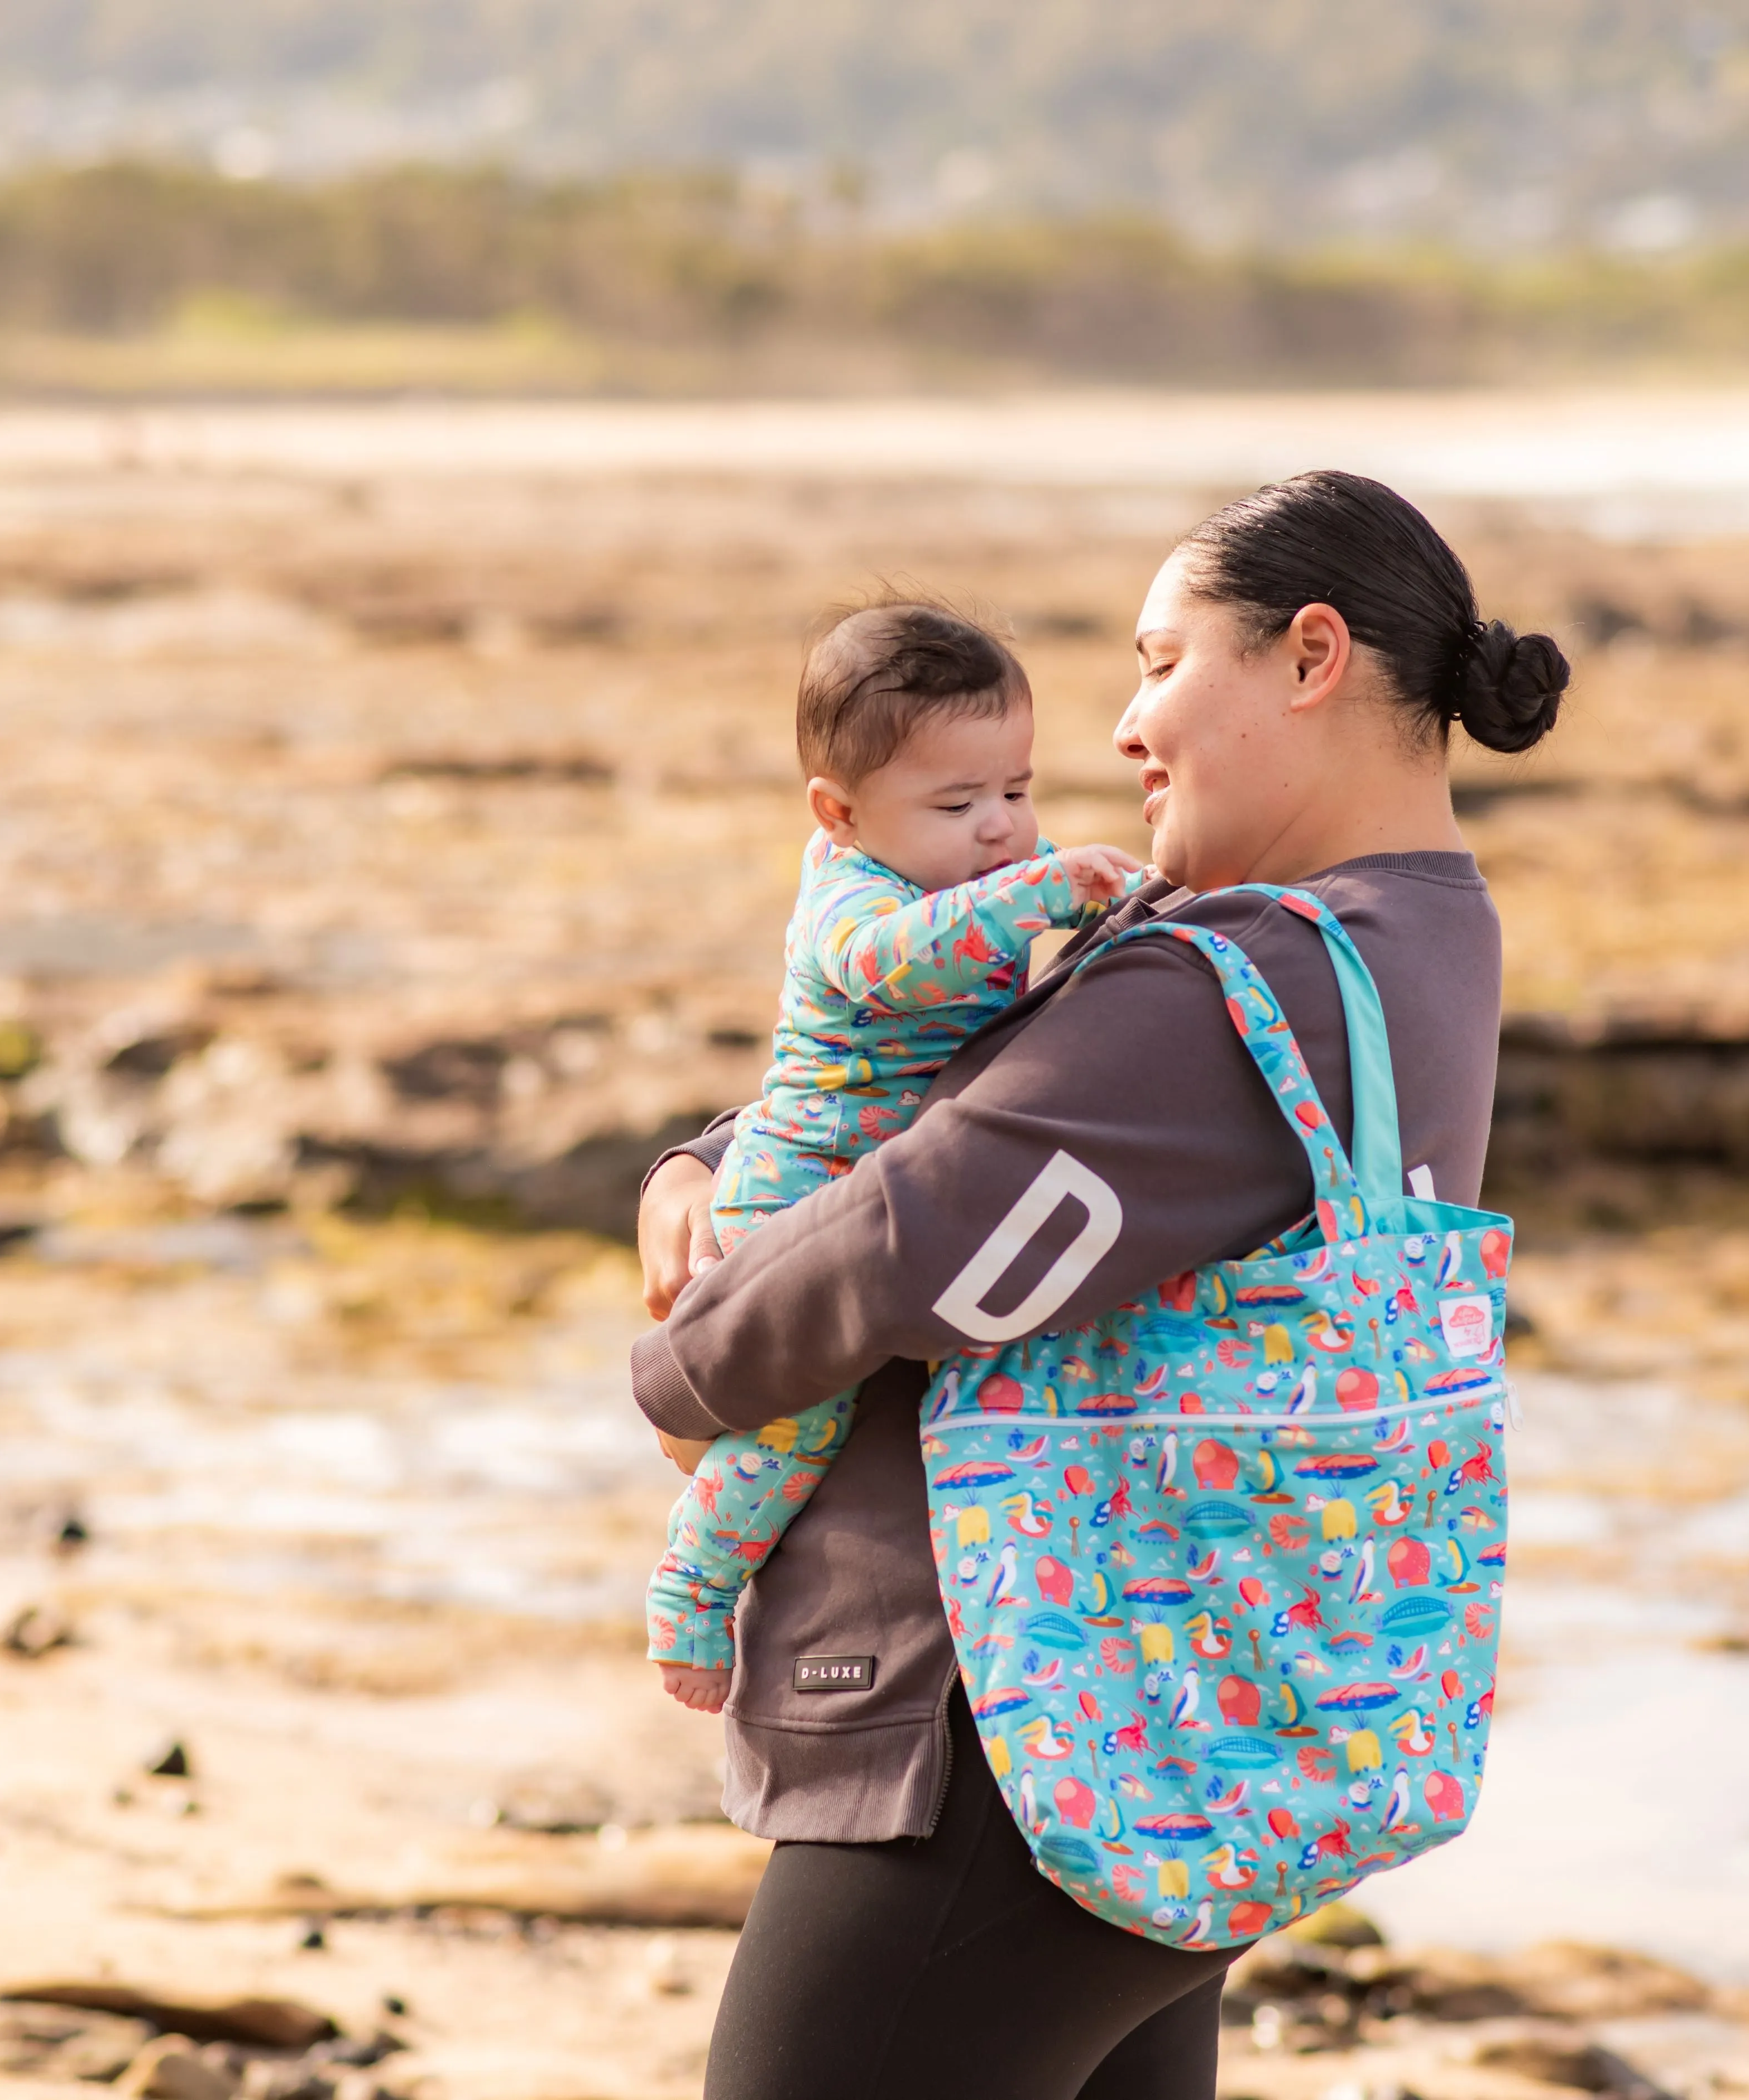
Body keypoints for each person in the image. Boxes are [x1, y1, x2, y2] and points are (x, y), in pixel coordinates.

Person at [632, 469, 1568, 2100]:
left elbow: (926, 1227)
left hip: (1014, 1726)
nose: (1127, 729)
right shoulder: (1408, 935)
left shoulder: (1240, 976)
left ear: (1311, 656)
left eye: (1159, 661)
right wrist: (705, 1159)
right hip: (1183, 1724)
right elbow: (955, 1092)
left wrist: (691, 1373)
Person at [647, 600, 1141, 1714]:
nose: (1002, 828)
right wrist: (1041, 894)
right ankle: (692, 1587)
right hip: (794, 1193)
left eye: (1019, 791)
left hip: (882, 1199)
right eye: (959, 803)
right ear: (842, 811)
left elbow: (1065, 909)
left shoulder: (986, 867)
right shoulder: (853, 899)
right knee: (798, 1428)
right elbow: (895, 966)